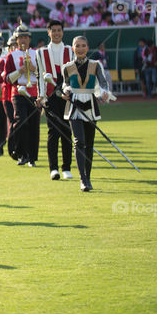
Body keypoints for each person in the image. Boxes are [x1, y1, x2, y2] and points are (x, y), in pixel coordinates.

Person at [62, 35, 116, 192]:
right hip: (73, 107)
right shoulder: (67, 66)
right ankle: (82, 179)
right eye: (77, 46)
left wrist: (104, 93)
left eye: (83, 45)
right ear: (73, 48)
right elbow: (65, 84)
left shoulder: (95, 64)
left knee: (89, 145)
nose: (80, 48)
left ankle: (88, 176)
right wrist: (66, 92)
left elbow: (103, 83)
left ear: (87, 48)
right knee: (79, 142)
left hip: (91, 106)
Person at [37, 21, 73, 181]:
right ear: (48, 32)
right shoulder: (41, 52)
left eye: (59, 30)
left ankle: (67, 167)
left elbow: (74, 75)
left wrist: (71, 92)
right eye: (54, 30)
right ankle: (54, 168)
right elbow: (39, 77)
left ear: (63, 32)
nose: (57, 33)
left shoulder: (70, 51)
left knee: (67, 130)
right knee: (53, 132)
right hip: (50, 96)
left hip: (67, 96)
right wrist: (41, 95)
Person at [3, 23, 40, 167]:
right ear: (16, 40)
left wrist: (33, 69)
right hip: (18, 92)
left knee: (34, 125)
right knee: (21, 122)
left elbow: (43, 76)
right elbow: (7, 79)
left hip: (34, 92)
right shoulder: (11, 56)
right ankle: (22, 153)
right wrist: (21, 71)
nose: (23, 40)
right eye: (20, 37)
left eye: (25, 37)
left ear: (29, 39)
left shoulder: (36, 54)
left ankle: (32, 157)